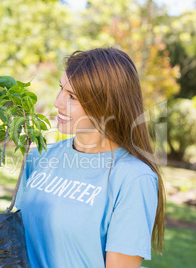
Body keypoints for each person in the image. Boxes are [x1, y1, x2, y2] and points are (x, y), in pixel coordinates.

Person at [15, 48, 165, 268]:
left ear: (107, 103)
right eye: (61, 89)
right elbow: (12, 239)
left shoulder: (134, 178)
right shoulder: (40, 156)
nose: (57, 103)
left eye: (72, 97)